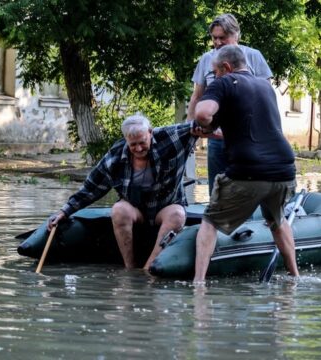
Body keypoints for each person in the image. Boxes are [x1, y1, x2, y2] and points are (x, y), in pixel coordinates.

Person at [192, 45, 299, 283]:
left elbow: (203, 113)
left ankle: (198, 285)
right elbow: (248, 128)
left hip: (249, 172)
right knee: (277, 221)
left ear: (227, 67)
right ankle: (295, 277)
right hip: (284, 171)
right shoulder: (265, 86)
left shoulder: (225, 82)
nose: (215, 76)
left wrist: (203, 122)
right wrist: (212, 130)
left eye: (216, 71)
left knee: (210, 221)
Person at [48, 113, 203, 270]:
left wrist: (214, 127)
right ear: (126, 140)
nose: (138, 148)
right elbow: (91, 188)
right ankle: (129, 268)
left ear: (150, 132)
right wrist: (64, 211)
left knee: (178, 214)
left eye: (142, 142)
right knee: (118, 210)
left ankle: (149, 269)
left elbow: (199, 125)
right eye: (133, 144)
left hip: (166, 206)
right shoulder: (114, 158)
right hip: (136, 209)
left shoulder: (169, 136)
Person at [186, 13, 273, 194]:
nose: (217, 42)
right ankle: (216, 220)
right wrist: (189, 131)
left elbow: (266, 97)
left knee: (247, 189)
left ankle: (249, 220)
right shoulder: (206, 59)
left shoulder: (253, 56)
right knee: (217, 189)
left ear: (236, 35)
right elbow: (197, 97)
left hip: (248, 138)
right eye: (214, 38)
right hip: (217, 138)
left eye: (222, 38)